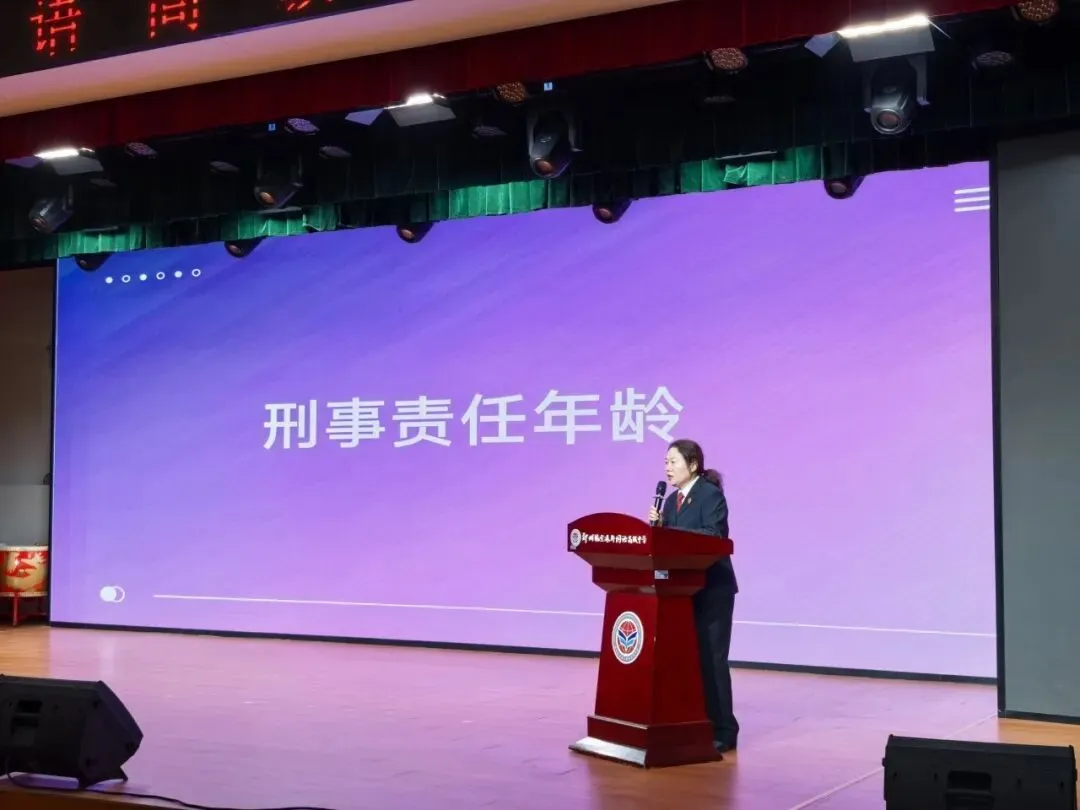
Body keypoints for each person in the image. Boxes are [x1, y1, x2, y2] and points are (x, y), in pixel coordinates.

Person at [647, 438, 739, 753]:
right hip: (683, 590)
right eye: (665, 462)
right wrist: (657, 531)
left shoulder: (710, 495)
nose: (667, 468)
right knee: (688, 659)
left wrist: (670, 533)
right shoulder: (671, 502)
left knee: (712, 659)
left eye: (673, 461)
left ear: (694, 464)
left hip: (713, 589)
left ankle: (725, 730)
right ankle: (696, 722)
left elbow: (714, 535)